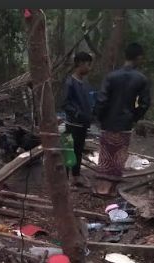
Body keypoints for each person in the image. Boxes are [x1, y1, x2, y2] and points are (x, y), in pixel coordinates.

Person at [93, 43, 151, 195]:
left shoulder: (111, 77)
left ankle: (101, 187)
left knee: (106, 153)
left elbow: (101, 100)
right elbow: (144, 104)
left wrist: (99, 116)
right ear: (139, 57)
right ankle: (112, 188)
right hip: (125, 122)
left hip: (108, 121)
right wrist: (134, 117)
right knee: (119, 154)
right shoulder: (141, 79)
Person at [60, 51, 94, 187]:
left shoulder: (84, 83)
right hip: (71, 124)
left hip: (82, 125)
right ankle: (65, 179)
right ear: (80, 63)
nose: (89, 68)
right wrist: (78, 114)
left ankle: (76, 177)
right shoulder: (70, 82)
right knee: (69, 152)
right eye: (88, 64)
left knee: (78, 151)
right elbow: (64, 104)